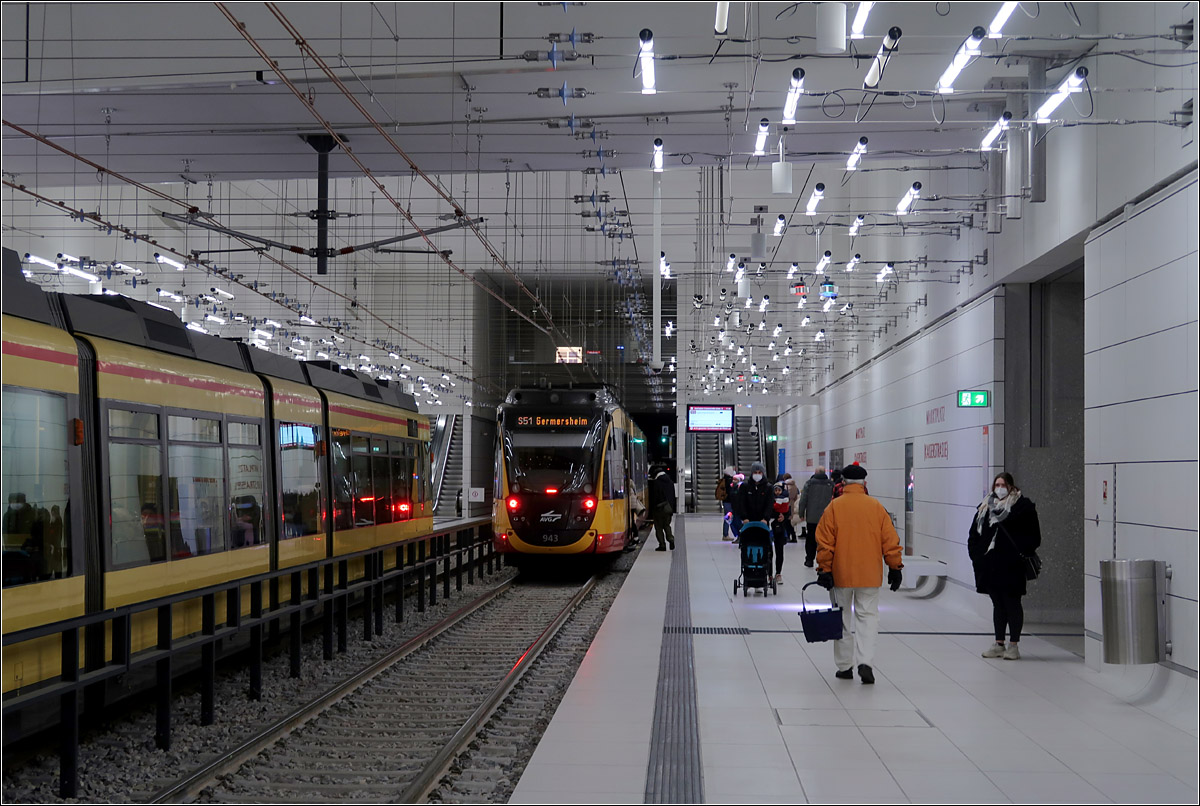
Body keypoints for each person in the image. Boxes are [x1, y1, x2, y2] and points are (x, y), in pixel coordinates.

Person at [815, 463, 903, 685]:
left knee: (842, 619)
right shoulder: (876, 507)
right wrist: (894, 567)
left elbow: (825, 543)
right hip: (869, 575)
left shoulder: (834, 507)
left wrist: (824, 569)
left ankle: (845, 667)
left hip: (841, 574)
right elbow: (890, 541)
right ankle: (866, 663)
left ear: (842, 483)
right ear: (864, 483)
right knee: (868, 618)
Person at [968, 472, 1041, 660]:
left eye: (1003, 484)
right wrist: (977, 556)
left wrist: (1017, 553)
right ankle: (999, 643)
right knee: (998, 604)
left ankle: (1014, 645)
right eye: (997, 484)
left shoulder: (1023, 508)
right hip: (990, 566)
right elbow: (974, 535)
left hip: (1012, 567)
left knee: (1012, 604)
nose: (999, 488)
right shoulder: (985, 507)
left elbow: (1034, 537)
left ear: (1011, 487)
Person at [796, 467, 834, 568]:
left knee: (811, 538)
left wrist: (801, 513)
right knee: (825, 539)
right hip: (826, 517)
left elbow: (803, 499)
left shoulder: (810, 483)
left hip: (812, 517)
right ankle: (824, 561)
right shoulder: (830, 484)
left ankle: (809, 559)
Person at [734, 461, 774, 530]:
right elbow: (741, 502)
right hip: (748, 521)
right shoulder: (745, 486)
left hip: (763, 521)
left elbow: (770, 503)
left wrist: (766, 518)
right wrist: (744, 517)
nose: (757, 474)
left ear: (762, 473)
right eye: (755, 472)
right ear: (752, 473)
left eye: (759, 472)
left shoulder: (768, 487)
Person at [648, 465, 676, 551]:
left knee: (659, 527)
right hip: (669, 508)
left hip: (659, 509)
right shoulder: (670, 482)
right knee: (667, 525)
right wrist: (672, 508)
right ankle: (671, 539)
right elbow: (673, 496)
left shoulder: (657, 483)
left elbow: (655, 497)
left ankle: (662, 545)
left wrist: (652, 509)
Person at [770, 482, 790, 582]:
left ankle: (778, 573)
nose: (777, 492)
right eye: (775, 490)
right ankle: (769, 573)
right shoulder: (770, 499)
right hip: (770, 527)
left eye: (779, 490)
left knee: (779, 551)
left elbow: (787, 512)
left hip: (779, 528)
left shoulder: (784, 499)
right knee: (768, 551)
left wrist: (784, 516)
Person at [716, 466, 736, 541]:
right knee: (729, 518)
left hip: (725, 501)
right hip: (729, 502)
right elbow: (731, 492)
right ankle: (726, 534)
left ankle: (726, 534)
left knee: (728, 517)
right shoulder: (729, 481)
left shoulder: (724, 479)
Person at [782, 473, 800, 542]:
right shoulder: (795, 486)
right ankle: (793, 536)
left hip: (786, 504)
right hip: (792, 504)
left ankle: (788, 536)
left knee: (786, 522)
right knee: (789, 521)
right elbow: (796, 496)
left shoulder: (785, 486)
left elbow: (784, 495)